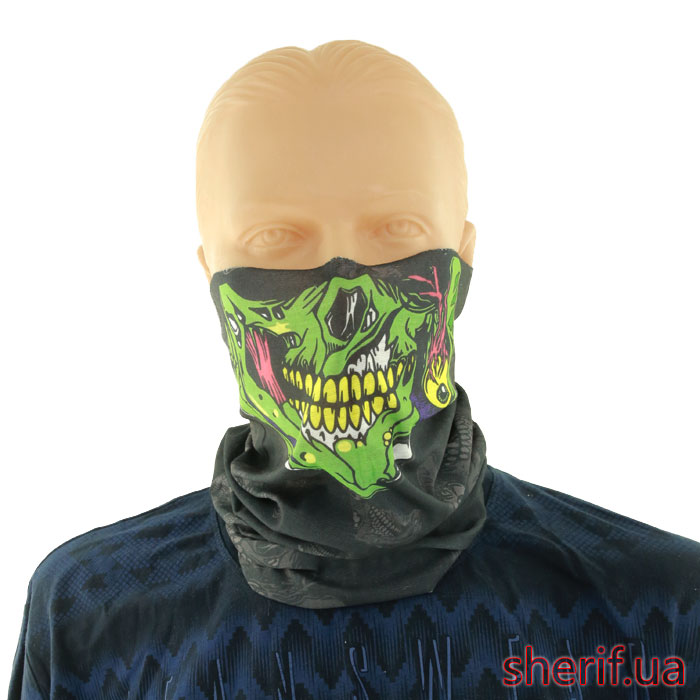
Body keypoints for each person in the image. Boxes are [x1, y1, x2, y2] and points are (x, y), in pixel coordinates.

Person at [8, 39, 699, 699]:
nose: (345, 305)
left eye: (395, 230)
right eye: (277, 238)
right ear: (211, 274)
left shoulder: (659, 612)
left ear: (462, 263)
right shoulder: (89, 616)